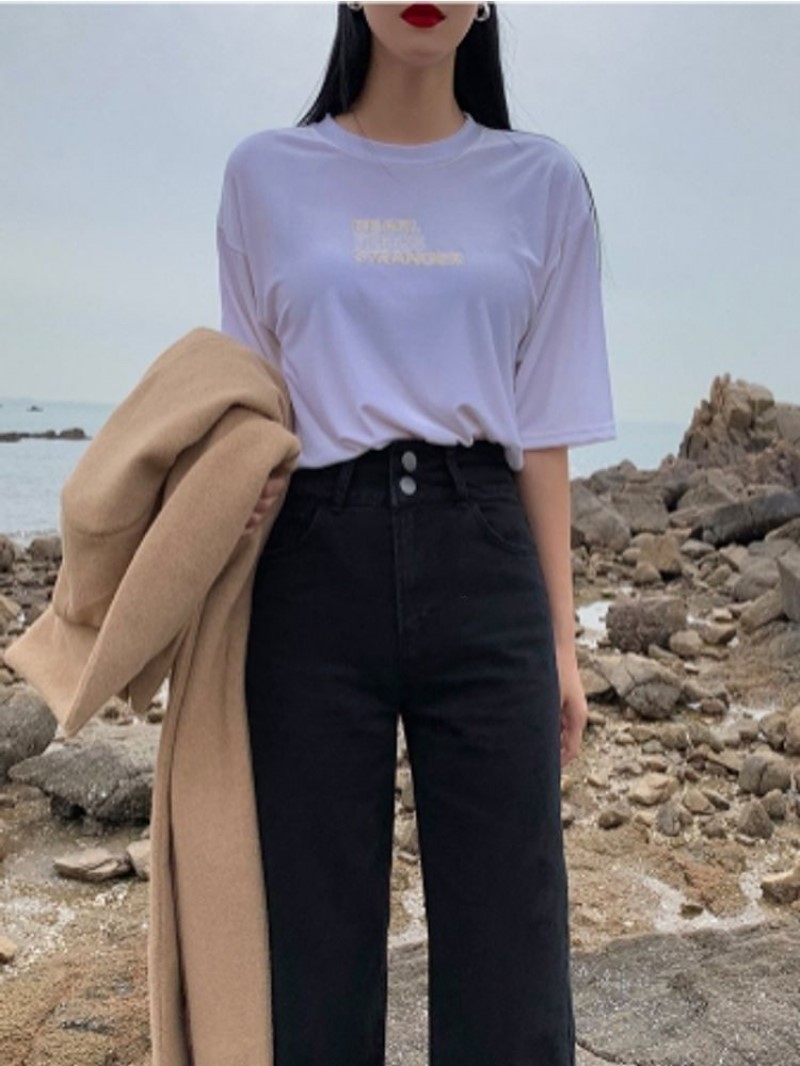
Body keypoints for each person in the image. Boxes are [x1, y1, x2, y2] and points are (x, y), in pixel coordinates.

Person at [216, 4, 616, 1063]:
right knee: (308, 944)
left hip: (482, 553)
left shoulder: (542, 183)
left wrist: (562, 642)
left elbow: (541, 435)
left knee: (510, 949)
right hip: (309, 563)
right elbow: (246, 403)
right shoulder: (265, 175)